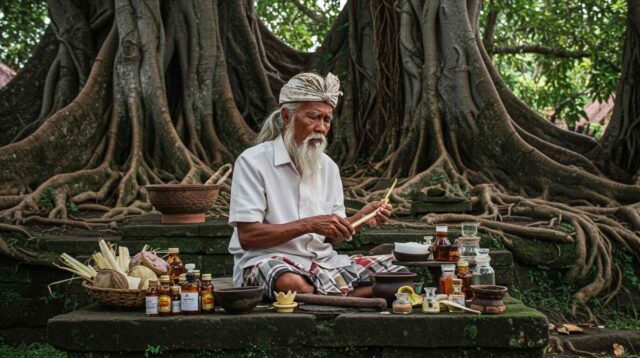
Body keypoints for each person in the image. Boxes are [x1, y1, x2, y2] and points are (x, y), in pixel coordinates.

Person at [228, 72, 407, 301]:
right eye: (313, 117)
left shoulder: (329, 167)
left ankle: (335, 296)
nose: (321, 127)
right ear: (286, 117)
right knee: (291, 284)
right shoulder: (253, 161)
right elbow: (248, 237)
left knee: (400, 273)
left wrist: (360, 218)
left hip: (323, 265)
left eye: (327, 120)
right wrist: (309, 224)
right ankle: (352, 295)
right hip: (268, 262)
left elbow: (330, 237)